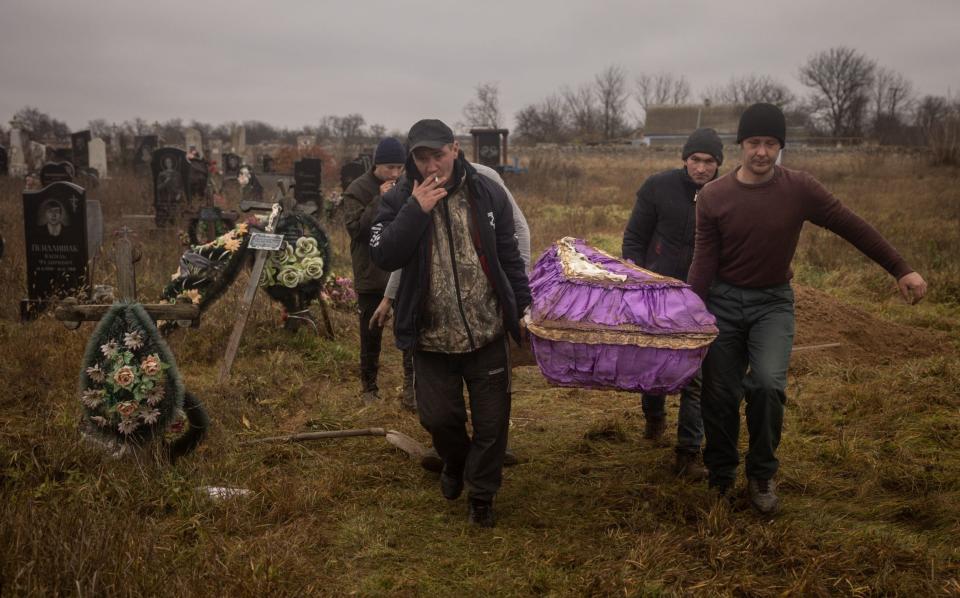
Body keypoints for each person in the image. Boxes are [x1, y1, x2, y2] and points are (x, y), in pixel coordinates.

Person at [688, 103, 928, 514]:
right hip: (723, 304)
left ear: (780, 146)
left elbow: (850, 224)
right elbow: (703, 261)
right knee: (720, 393)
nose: (761, 152)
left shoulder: (800, 188)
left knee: (766, 385)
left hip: (772, 303)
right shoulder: (714, 196)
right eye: (753, 143)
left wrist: (900, 268)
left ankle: (762, 475)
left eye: (770, 144)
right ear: (741, 145)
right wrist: (688, 313)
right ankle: (721, 474)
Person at [370, 119, 530, 528]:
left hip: (486, 329)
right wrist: (415, 211)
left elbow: (509, 254)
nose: (430, 165)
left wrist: (524, 308)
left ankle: (482, 496)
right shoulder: (399, 199)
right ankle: (455, 461)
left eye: (437, 155)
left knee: (493, 423)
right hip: (431, 336)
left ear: (455, 149)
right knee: (439, 420)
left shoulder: (486, 191)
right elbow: (385, 256)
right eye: (421, 158)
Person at [622, 127, 724, 480]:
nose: (701, 168)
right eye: (695, 160)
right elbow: (635, 237)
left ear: (718, 164)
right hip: (657, 291)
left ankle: (688, 453)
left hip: (702, 297)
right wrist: (636, 273)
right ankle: (654, 417)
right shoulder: (657, 187)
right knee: (654, 368)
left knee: (695, 375)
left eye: (709, 161)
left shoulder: (727, 195)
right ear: (684, 160)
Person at [343, 137, 412, 407]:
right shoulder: (357, 189)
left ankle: (411, 388)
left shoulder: (407, 185)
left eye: (400, 168)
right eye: (389, 168)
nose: (395, 174)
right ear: (376, 165)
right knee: (371, 334)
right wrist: (378, 200)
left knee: (408, 331)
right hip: (371, 273)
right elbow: (356, 230)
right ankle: (369, 388)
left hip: (403, 271)